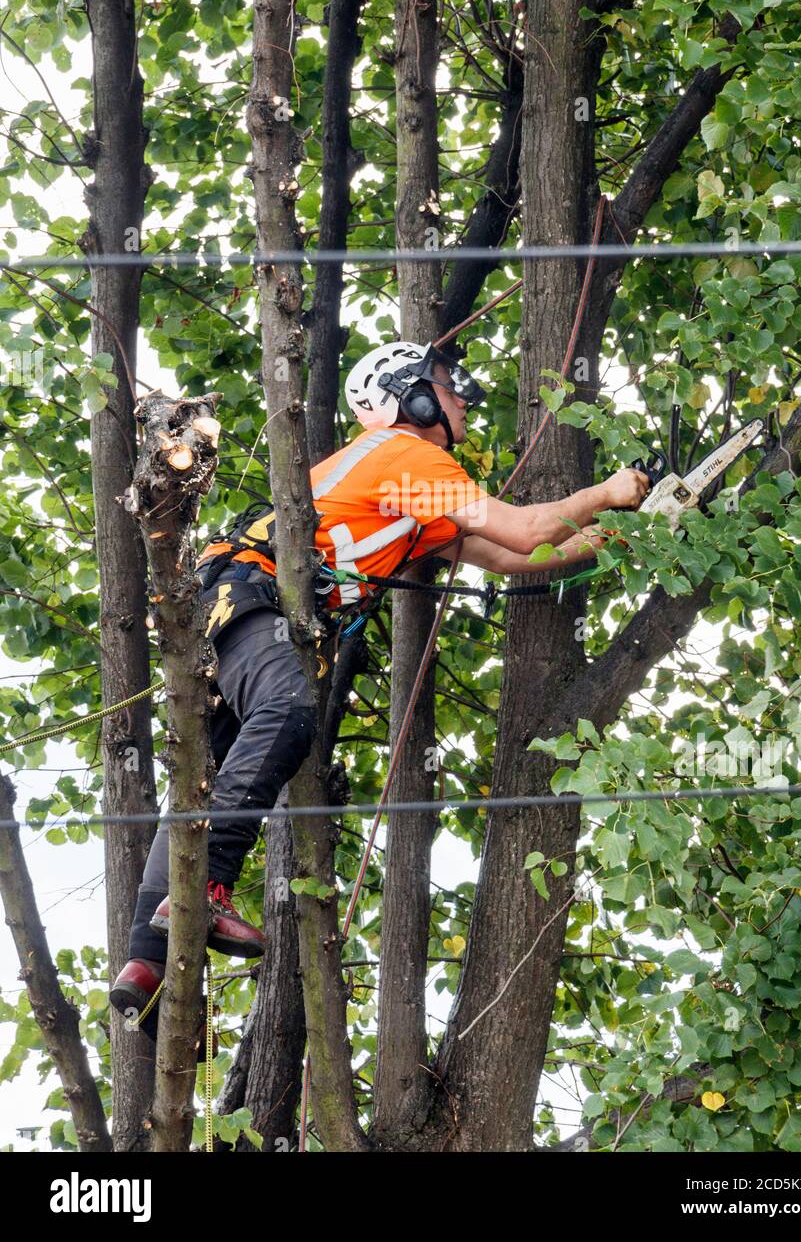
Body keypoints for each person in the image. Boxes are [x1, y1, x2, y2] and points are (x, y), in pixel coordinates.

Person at [109, 341, 648, 1031]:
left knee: (207, 779)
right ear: (410, 394)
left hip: (231, 609)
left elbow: (527, 556)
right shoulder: (406, 455)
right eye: (448, 389)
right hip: (257, 596)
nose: (460, 402)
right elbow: (526, 524)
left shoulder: (405, 487)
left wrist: (627, 532)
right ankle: (204, 886)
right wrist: (609, 489)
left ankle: (147, 963)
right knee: (288, 710)